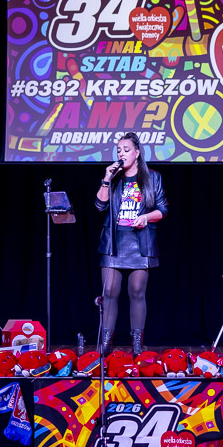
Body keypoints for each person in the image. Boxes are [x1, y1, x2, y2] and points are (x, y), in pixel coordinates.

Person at [95, 132, 168, 356]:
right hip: (114, 242)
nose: (121, 154)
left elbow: (162, 209)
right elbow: (100, 206)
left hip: (140, 242)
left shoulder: (152, 177)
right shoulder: (114, 178)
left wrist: (145, 217)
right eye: (118, 150)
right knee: (109, 291)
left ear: (136, 153)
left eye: (126, 150)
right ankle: (105, 344)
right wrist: (106, 179)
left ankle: (137, 345)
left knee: (136, 292)